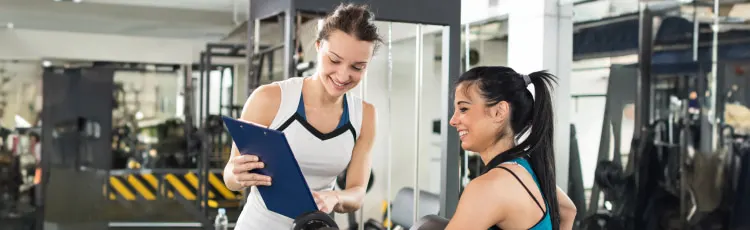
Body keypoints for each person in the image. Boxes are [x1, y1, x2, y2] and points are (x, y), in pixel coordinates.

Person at [222, 3, 380, 229]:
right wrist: (237, 175)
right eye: (334, 60)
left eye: (358, 67)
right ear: (318, 46)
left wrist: (334, 197)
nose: (343, 75)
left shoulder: (365, 115)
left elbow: (357, 194)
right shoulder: (269, 99)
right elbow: (230, 177)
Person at [446, 67, 577, 230]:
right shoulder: (526, 167)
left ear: (499, 112)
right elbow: (567, 210)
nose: (453, 120)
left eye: (463, 109)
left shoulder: (489, 187)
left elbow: (568, 211)